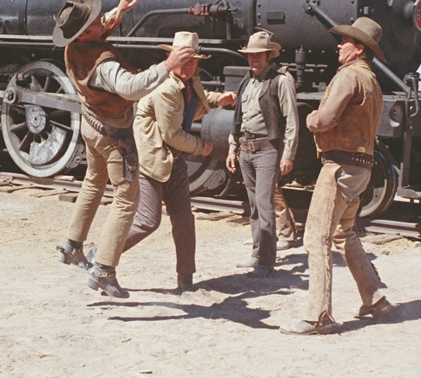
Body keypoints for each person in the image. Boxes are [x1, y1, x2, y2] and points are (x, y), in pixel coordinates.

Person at [54, 0, 194, 298]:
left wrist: (118, 11)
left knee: (93, 182)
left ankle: (71, 245)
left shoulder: (73, 48)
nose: (100, 22)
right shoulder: (103, 65)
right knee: (126, 201)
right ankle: (103, 270)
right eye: (93, 22)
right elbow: (129, 88)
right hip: (113, 136)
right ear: (83, 34)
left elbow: (99, 26)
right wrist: (167, 65)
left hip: (91, 127)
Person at [96, 31, 237, 296]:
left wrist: (218, 99)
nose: (189, 65)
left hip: (174, 159)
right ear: (171, 57)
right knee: (148, 221)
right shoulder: (165, 88)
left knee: (184, 219)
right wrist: (202, 147)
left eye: (193, 60)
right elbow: (172, 134)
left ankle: (186, 279)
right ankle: (102, 256)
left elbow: (197, 97)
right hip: (152, 160)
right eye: (184, 59)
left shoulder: (187, 81)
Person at [281, 17, 392, 336]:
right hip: (361, 166)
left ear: (359, 49)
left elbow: (327, 118)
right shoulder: (372, 81)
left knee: (316, 237)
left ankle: (319, 316)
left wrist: (311, 119)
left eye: (345, 42)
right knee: (345, 234)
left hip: (338, 167)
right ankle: (376, 299)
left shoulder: (349, 76)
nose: (339, 46)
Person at [226, 30, 299, 278]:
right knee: (255, 206)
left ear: (269, 56)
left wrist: (288, 154)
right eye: (250, 55)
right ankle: (257, 253)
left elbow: (291, 120)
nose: (254, 59)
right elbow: (238, 118)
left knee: (265, 205)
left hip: (267, 150)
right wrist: (232, 147)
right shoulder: (247, 80)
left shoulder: (281, 81)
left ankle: (267, 262)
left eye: (258, 55)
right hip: (246, 149)